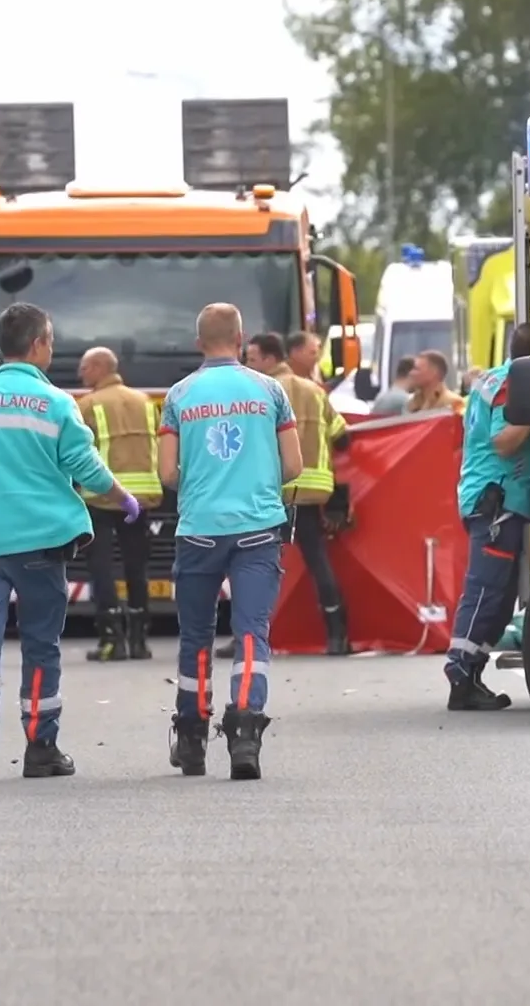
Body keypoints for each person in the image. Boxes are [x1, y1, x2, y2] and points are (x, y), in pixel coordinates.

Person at [0, 302, 139, 784]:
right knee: (40, 644)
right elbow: (86, 469)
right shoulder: (56, 404)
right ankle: (40, 747)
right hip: (40, 546)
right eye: (49, 340)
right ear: (37, 346)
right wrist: (123, 497)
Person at [158, 303, 303, 781]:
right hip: (258, 527)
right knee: (250, 632)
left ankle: (193, 737)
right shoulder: (270, 390)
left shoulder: (179, 396)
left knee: (195, 636)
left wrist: (203, 482)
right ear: (241, 338)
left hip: (199, 528)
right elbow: (294, 467)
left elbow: (166, 474)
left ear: (200, 342)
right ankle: (244, 733)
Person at [443, 321, 530, 710]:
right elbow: (503, 441)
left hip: (500, 499)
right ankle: (461, 671)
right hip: (496, 500)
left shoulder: (498, 378)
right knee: (487, 589)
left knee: (500, 596)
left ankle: (470, 671)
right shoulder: (511, 383)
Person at [254, 333, 354, 655]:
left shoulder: (260, 392)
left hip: (272, 490)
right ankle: (337, 635)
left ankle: (251, 635)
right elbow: (342, 439)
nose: (246, 365)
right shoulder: (314, 391)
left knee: (254, 564)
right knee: (317, 561)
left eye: (252, 359)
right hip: (312, 491)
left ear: (270, 359)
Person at [76, 346, 163, 663]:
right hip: (141, 498)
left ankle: (112, 640)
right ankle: (140, 640)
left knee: (101, 566)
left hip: (102, 496)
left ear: (99, 367)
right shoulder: (145, 402)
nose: (80, 374)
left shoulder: (88, 405)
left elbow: (78, 453)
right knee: (136, 566)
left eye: (85, 368)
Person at [407, 350, 466, 415]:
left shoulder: (453, 403)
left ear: (433, 373)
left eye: (416, 369)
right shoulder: (411, 403)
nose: (411, 373)